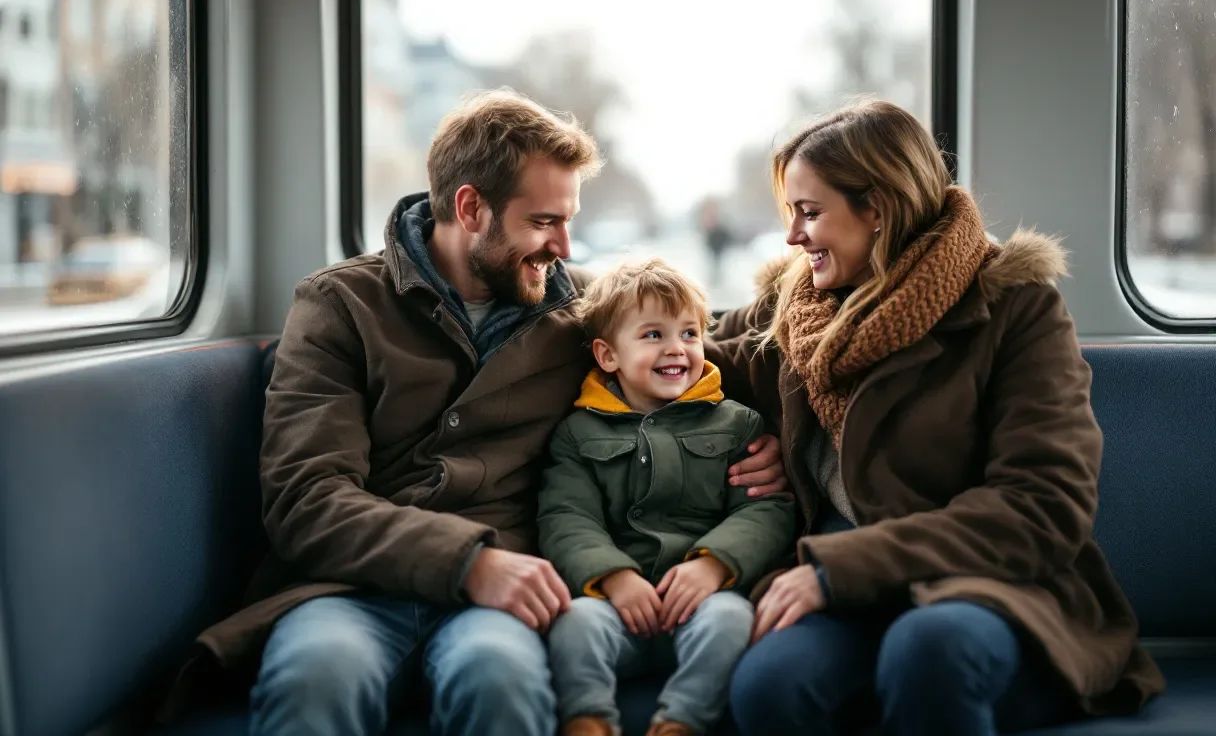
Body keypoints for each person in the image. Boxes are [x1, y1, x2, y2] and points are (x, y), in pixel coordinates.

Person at [160, 89, 787, 736]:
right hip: (348, 591)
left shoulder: (575, 313)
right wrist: (470, 563)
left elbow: (701, 345)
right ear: (470, 208)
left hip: (497, 609)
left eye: (568, 221)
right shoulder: (341, 307)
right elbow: (306, 498)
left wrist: (758, 435)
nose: (565, 246)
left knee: (499, 678)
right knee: (317, 676)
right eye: (544, 222)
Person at [714, 100, 1164, 735]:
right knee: (771, 685)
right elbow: (672, 348)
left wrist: (838, 569)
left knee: (928, 652)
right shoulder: (797, 311)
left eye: (810, 213)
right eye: (791, 213)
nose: (792, 237)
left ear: (876, 208)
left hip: (990, 588)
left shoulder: (1014, 308)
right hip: (846, 596)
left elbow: (1043, 505)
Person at [539, 259, 795, 736]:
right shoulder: (578, 433)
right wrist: (612, 577)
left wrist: (713, 565)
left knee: (731, 620)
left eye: (690, 334)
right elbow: (566, 516)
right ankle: (589, 718)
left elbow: (765, 507)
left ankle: (681, 720)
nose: (677, 348)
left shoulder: (737, 424)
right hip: (615, 601)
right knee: (575, 623)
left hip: (704, 597)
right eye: (653, 335)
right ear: (608, 355)